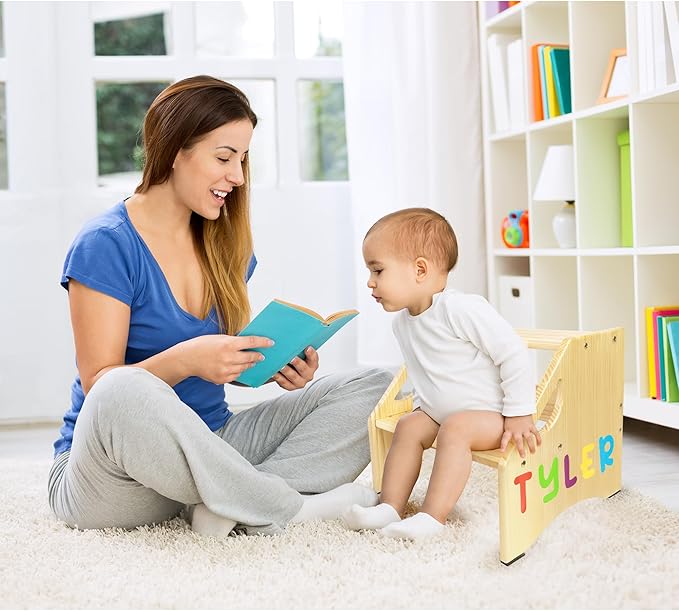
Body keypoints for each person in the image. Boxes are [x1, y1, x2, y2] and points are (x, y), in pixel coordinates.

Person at [48, 75, 392, 537]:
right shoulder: (106, 244)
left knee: (375, 385)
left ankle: (225, 503)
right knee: (120, 388)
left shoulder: (223, 242)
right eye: (225, 157)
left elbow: (219, 359)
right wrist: (188, 360)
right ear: (174, 150)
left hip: (212, 445)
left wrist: (265, 366)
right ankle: (281, 507)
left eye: (243, 159)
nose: (238, 176)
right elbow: (98, 385)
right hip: (111, 478)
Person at [343, 208, 541, 540]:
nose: (370, 282)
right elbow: (427, 374)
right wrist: (424, 408)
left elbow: (514, 353)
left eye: (377, 270)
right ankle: (390, 506)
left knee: (456, 428)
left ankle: (432, 517)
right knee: (409, 426)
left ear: (420, 269)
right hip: (440, 412)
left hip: (491, 415)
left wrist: (520, 414)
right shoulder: (403, 324)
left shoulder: (460, 309)